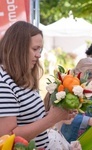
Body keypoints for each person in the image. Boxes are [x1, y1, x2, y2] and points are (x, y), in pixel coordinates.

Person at [0, 21, 76, 149]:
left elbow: (30, 120)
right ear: (18, 49)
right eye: (35, 49)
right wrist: (51, 119)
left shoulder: (23, 77)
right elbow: (7, 137)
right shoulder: (3, 82)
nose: (39, 55)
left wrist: (58, 115)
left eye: (40, 49)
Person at [60, 58, 92, 143]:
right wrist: (88, 120)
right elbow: (64, 116)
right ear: (77, 74)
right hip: (69, 142)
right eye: (89, 76)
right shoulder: (68, 94)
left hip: (87, 143)